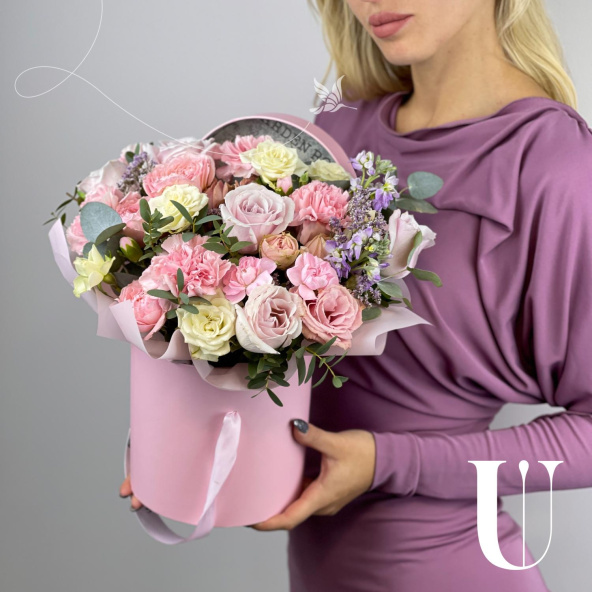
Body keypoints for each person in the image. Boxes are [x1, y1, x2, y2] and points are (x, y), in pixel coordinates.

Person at [121, 0, 592, 590]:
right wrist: (178, 436)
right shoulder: (342, 130)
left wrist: (385, 463)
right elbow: (278, 354)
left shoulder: (554, 165)